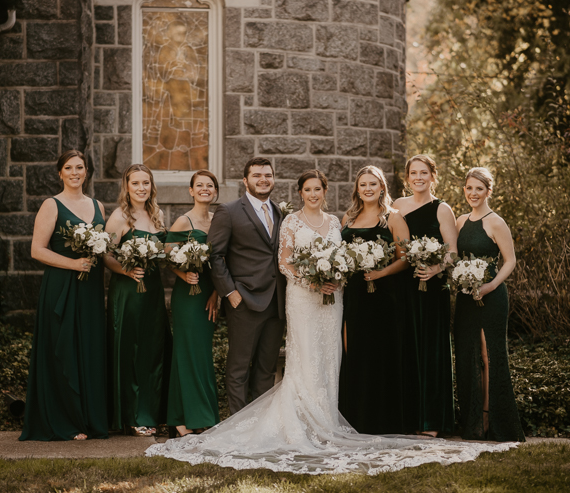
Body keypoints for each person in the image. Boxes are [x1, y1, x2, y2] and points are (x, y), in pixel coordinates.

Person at [145, 169, 516, 474]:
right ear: (301, 192)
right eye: (307, 189)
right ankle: (301, 420)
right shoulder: (290, 220)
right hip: (302, 297)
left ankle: (327, 416)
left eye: (318, 189)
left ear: (325, 191)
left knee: (330, 356)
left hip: (333, 297)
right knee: (304, 355)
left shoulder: (337, 222)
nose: (313, 194)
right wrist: (310, 279)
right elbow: (284, 261)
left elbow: (345, 258)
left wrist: (336, 277)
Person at [20, 150, 109, 441]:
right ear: (60, 173)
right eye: (68, 168)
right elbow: (37, 250)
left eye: (79, 167)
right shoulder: (51, 205)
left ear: (86, 171)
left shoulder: (98, 205)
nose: (74, 172)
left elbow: (103, 249)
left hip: (91, 289)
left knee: (90, 350)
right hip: (62, 287)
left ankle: (89, 419)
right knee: (63, 350)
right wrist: (73, 263)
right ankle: (65, 422)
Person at [206, 157, 287, 414]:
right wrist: (229, 293)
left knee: (266, 368)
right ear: (245, 180)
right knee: (239, 368)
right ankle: (238, 425)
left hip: (276, 303)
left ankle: (259, 424)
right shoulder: (228, 211)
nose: (263, 180)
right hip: (244, 301)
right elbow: (215, 255)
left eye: (267, 175)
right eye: (257, 175)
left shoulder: (279, 211)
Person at [454, 167, 525, 442]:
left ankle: (490, 419)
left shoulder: (496, 222)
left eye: (479, 189)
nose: (473, 193)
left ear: (488, 192)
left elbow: (510, 261)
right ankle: (470, 421)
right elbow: (453, 256)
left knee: (488, 356)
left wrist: (490, 286)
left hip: (491, 295)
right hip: (465, 297)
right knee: (466, 356)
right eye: (469, 188)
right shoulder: (460, 221)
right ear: (464, 190)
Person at [339, 165, 411, 434]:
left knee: (380, 353)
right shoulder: (349, 216)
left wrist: (381, 272)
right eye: (363, 184)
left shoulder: (392, 217)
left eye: (372, 184)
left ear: (382, 187)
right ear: (357, 189)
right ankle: (355, 417)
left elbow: (405, 259)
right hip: (353, 293)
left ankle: (383, 419)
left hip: (383, 296)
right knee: (354, 351)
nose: (367, 188)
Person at [103, 164, 171, 437]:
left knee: (153, 349)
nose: (141, 188)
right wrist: (126, 269)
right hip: (128, 291)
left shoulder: (158, 215)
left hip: (153, 290)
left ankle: (153, 412)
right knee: (129, 350)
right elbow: (105, 255)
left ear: (151, 186)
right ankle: (131, 416)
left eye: (146, 183)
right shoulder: (119, 217)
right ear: (127, 186)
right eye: (136, 183)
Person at [393, 155, 457, 437]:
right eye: (413, 173)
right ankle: (407, 418)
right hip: (402, 287)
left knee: (430, 351)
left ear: (433, 175)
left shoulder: (442, 209)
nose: (418, 178)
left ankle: (431, 420)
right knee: (405, 348)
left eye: (423, 173)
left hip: (431, 289)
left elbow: (453, 252)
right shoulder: (396, 206)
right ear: (407, 178)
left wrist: (435, 268)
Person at [166, 170, 221, 437]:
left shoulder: (218, 220)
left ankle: (199, 415)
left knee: (202, 353)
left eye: (209, 185)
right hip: (187, 296)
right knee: (186, 352)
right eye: (199, 185)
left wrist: (218, 293)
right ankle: (183, 420)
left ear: (215, 191)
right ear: (191, 190)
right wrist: (183, 273)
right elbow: (165, 256)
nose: (204, 189)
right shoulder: (182, 221)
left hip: (210, 294)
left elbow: (223, 261)